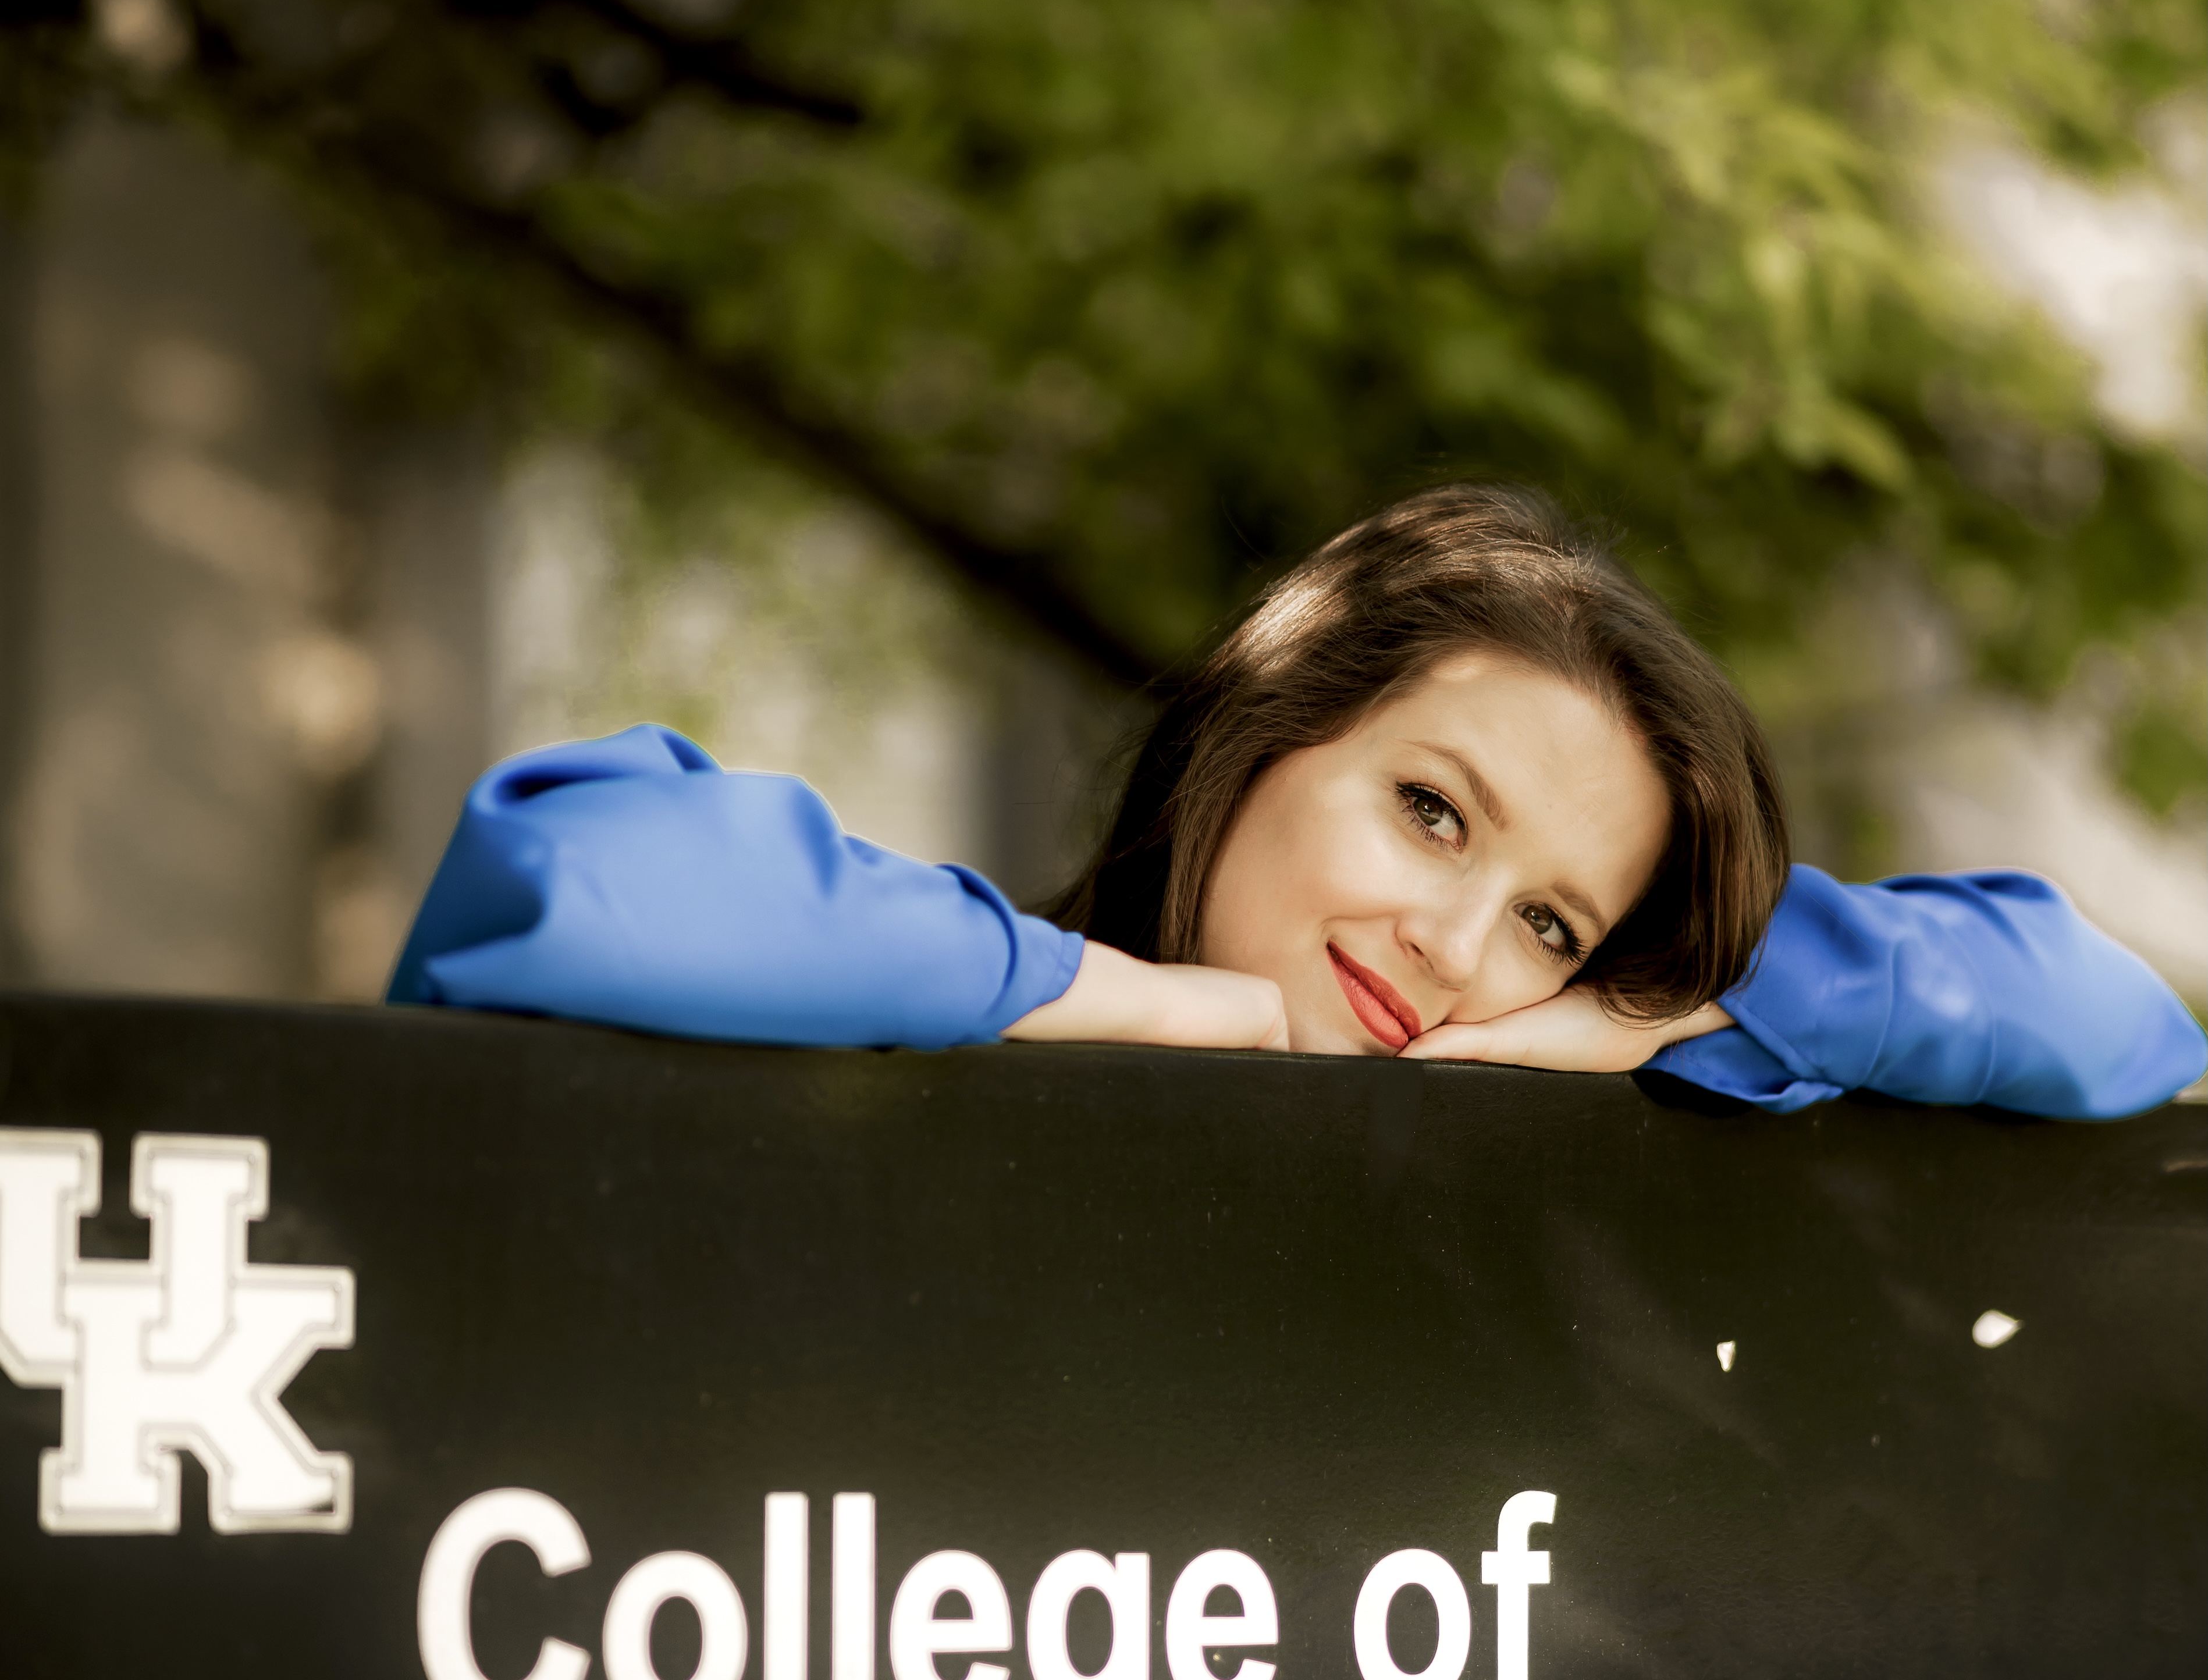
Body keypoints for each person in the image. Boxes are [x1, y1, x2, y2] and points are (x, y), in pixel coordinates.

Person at [388, 486, 2205, 1119]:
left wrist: (1685, 991)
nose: (1458, 943)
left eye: (1552, 923)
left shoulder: (1541, 1172)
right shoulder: (935, 1004)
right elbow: (570, 870)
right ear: (1263, 738)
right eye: (1431, 811)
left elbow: (2110, 1023)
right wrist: (1145, 1003)